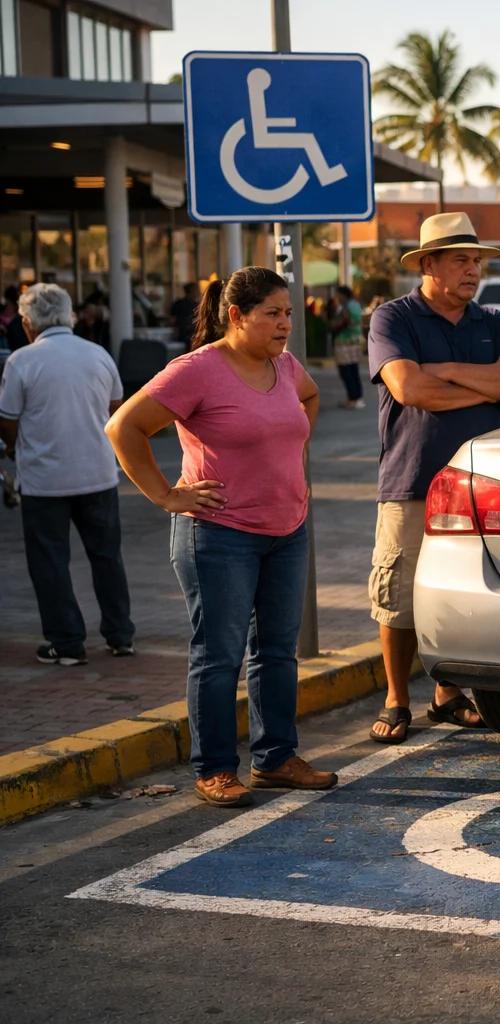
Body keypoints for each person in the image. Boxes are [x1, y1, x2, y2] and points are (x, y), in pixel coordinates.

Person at [106, 266, 336, 808]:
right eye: (272, 314)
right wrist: (166, 495)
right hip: (218, 535)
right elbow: (124, 427)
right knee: (219, 655)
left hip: (288, 529)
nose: (285, 325)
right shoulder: (197, 371)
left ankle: (276, 758)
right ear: (236, 316)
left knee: (278, 653)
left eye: (288, 313)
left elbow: (309, 399)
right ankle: (213, 768)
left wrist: (288, 462)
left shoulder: (284, 365)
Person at [366, 212, 500, 744]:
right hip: (412, 479)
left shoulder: (493, 321)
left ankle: (447, 693)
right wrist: (488, 386)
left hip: (481, 484)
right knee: (399, 596)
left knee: (466, 592)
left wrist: (442, 370)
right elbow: (410, 390)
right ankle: (397, 698)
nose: (473, 270)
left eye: (477, 260)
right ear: (428, 264)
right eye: (461, 259)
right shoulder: (392, 319)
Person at [0, 283, 135, 665]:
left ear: (28, 322)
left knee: (50, 562)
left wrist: (13, 447)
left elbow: (7, 422)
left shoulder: (22, 361)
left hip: (45, 481)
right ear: (69, 314)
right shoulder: (98, 354)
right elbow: (116, 408)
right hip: (98, 473)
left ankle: (67, 643)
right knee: (107, 556)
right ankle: (121, 634)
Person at [331, 285, 365, 409]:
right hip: (355, 341)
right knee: (354, 370)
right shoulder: (355, 304)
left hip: (344, 342)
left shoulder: (345, 306)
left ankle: (352, 398)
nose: (336, 297)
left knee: (345, 370)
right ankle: (358, 397)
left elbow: (343, 321)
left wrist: (334, 325)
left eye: (338, 294)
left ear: (343, 294)